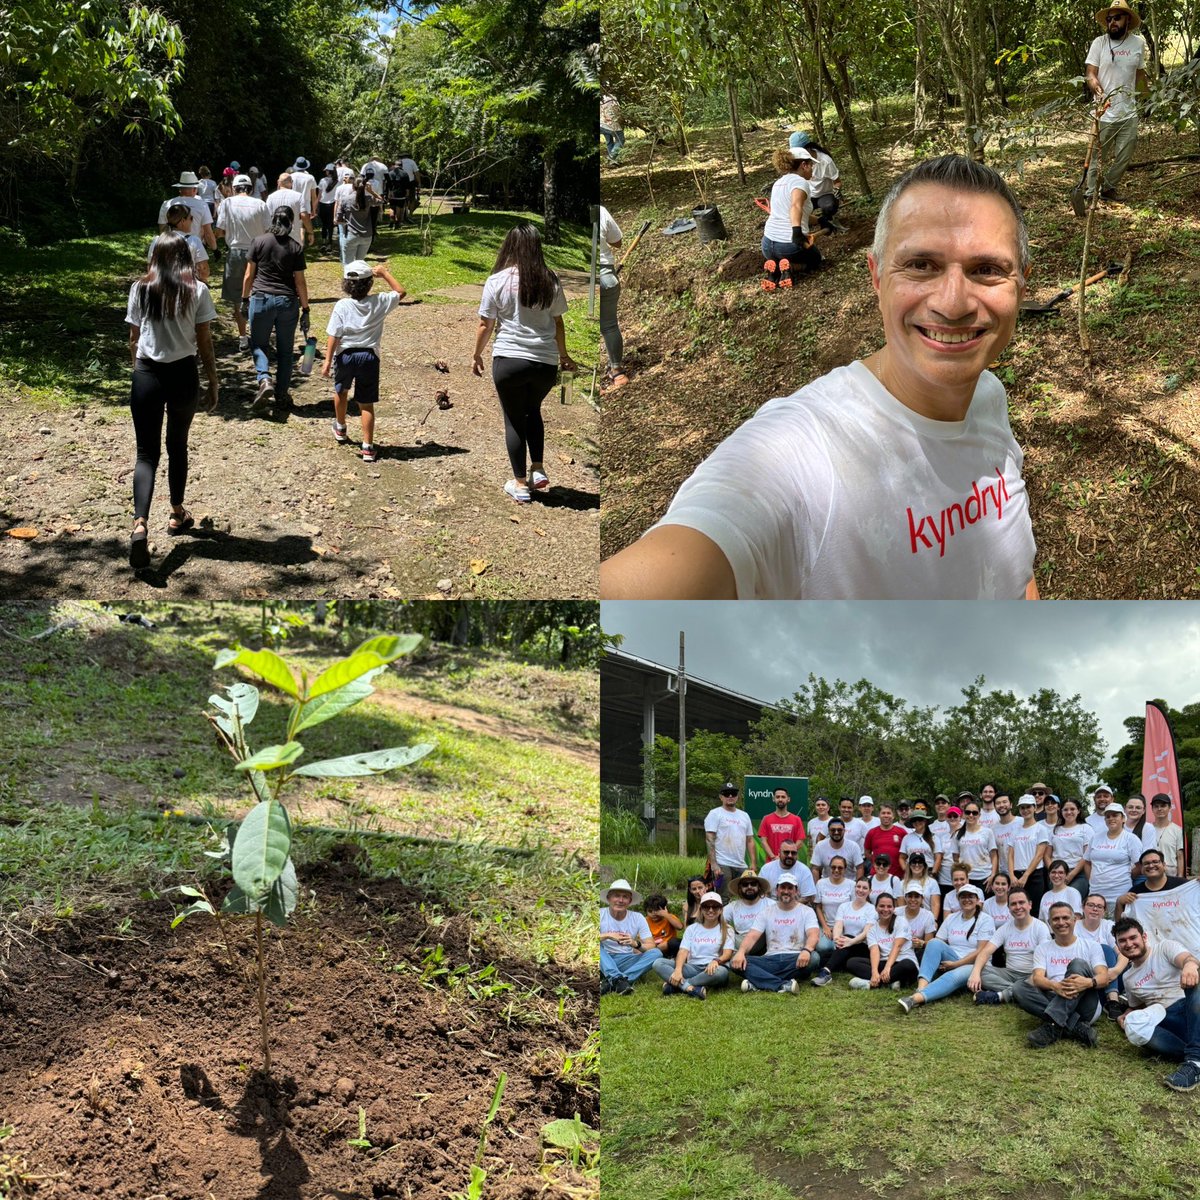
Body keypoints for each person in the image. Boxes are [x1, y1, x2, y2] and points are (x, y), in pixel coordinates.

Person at [600, 154, 1038, 601]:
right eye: (921, 265)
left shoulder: (987, 396)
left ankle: (778, 278)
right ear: (876, 277)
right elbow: (676, 563)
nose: (953, 302)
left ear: (1021, 285)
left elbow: (1014, 573)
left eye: (986, 269)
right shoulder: (802, 453)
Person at [124, 234, 219, 570]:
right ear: (185, 257)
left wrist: (138, 370)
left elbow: (134, 339)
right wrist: (213, 380)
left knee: (145, 453)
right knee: (177, 445)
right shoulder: (198, 290)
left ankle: (140, 523)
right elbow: (204, 341)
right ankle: (177, 513)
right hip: (182, 374)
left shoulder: (140, 288)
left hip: (146, 374)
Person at [473, 223, 576, 503]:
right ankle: (538, 469)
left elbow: (485, 323)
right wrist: (564, 356)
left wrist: (477, 354)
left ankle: (519, 484)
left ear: (510, 246)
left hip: (509, 360)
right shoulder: (550, 279)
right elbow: (558, 322)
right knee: (533, 410)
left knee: (514, 419)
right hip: (544, 363)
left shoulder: (497, 281)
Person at [322, 259, 408, 464]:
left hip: (345, 355)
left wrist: (327, 361)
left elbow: (334, 335)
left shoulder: (342, 305)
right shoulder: (379, 302)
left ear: (345, 284)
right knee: (366, 402)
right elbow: (401, 292)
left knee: (341, 391)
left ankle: (340, 427)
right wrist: (385, 273)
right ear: (369, 283)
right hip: (369, 356)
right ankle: (368, 447)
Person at [1111, 917, 1200, 1090]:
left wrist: (1190, 965)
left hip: (1191, 1007)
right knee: (1133, 1025)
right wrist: (1125, 1017)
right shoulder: (1128, 978)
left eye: (1132, 938)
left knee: (1196, 980)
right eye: (1122, 941)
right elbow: (1135, 1008)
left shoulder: (1164, 948)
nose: (1128, 944)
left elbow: (1187, 959)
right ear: (1118, 946)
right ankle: (1192, 1052)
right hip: (1168, 1022)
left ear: (1144, 937)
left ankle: (1194, 1062)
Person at [1012, 901, 1111, 1047]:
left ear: (1074, 920)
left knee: (1078, 964)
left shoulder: (1091, 946)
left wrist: (1088, 982)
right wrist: (1055, 986)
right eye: (1056, 919)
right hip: (1055, 996)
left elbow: (1104, 977)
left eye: (1065, 918)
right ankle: (1074, 1027)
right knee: (1019, 987)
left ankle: (1052, 1025)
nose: (1061, 922)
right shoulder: (1043, 948)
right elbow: (1038, 978)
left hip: (1085, 1002)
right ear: (1049, 922)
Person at [242, 204, 310, 415]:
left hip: (261, 299)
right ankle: (281, 394)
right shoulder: (295, 247)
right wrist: (306, 309)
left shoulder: (259, 242)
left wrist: (245, 299)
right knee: (286, 352)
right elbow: (300, 282)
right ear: (290, 223)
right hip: (287, 303)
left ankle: (264, 379)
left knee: (259, 345)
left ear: (273, 221)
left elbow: (248, 275)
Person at [1083, 0, 1149, 204]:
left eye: (1117, 18)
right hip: (1104, 111)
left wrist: (1148, 99)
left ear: (1127, 19)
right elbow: (1090, 73)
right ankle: (1089, 193)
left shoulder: (1138, 43)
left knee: (1125, 155)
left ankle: (1108, 187)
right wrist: (1096, 87)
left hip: (1128, 112)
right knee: (1096, 157)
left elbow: (1140, 75)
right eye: (1109, 19)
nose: (1112, 22)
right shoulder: (1099, 43)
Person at [897, 883, 995, 1012]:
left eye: (971, 896)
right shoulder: (951, 918)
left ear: (977, 900)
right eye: (963, 897)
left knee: (954, 975)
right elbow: (938, 942)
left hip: (976, 964)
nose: (966, 899)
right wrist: (923, 943)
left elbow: (981, 951)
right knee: (933, 943)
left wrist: (955, 965)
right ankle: (921, 987)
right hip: (953, 958)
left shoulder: (986, 920)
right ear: (958, 900)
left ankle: (915, 999)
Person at [730, 874, 821, 993]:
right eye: (783, 887)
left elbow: (813, 934)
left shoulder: (806, 911)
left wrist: (807, 950)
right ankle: (782, 984)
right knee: (734, 961)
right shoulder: (766, 912)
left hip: (796, 958)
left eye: (790, 888)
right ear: (777, 890)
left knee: (814, 958)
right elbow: (752, 936)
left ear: (796, 891)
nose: (786, 891)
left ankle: (759, 981)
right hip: (770, 959)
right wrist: (741, 952)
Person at [214, 173, 269, 352]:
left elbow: (220, 231)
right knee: (259, 294)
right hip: (259, 252)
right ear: (250, 188)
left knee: (238, 298)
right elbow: (269, 231)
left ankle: (243, 337)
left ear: (234, 188)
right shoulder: (261, 204)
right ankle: (260, 335)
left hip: (236, 253)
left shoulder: (227, 203)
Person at [969, 885, 1050, 1005]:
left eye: (1021, 902)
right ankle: (1018, 992)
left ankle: (1001, 995)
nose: (1018, 907)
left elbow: (1046, 959)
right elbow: (985, 952)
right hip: (1009, 974)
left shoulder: (1040, 927)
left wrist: (1036, 978)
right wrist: (975, 973)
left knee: (1037, 980)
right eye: (1013, 904)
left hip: (1032, 974)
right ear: (1008, 908)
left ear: (1030, 904)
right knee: (982, 972)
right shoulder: (1005, 928)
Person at [651, 890, 733, 999]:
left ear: (721, 910)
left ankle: (678, 985)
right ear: (701, 909)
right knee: (658, 963)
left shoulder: (727, 929)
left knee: (721, 972)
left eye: (715, 907)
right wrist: (678, 970)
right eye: (706, 907)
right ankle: (690, 988)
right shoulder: (692, 929)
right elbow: (683, 951)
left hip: (713, 968)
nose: (710, 910)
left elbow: (728, 953)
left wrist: (716, 961)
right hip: (692, 967)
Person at [760, 144, 820, 290]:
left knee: (778, 254)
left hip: (767, 244)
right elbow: (796, 207)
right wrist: (797, 233)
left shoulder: (778, 183)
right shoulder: (800, 182)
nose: (812, 169)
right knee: (816, 259)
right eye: (811, 165)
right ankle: (790, 267)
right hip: (788, 245)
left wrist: (820, 220)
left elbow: (795, 212)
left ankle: (775, 267)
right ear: (804, 165)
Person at [599, 879, 662, 995]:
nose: (620, 900)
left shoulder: (637, 917)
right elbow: (585, 938)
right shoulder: (599, 914)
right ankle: (618, 980)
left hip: (626, 958)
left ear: (630, 901)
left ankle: (615, 980)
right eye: (616, 896)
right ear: (609, 898)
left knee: (656, 953)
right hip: (604, 960)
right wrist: (608, 935)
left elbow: (651, 945)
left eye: (625, 897)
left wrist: (635, 943)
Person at [811, 877, 876, 986]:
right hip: (844, 945)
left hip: (862, 946)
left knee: (847, 937)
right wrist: (836, 938)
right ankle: (838, 964)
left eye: (865, 888)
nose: (860, 890)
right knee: (823, 959)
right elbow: (838, 925)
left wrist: (850, 941)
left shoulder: (871, 909)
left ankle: (826, 972)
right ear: (855, 888)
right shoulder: (844, 906)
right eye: (858, 886)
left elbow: (866, 933)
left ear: (870, 891)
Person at [1084, 802, 1144, 916]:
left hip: (1120, 895)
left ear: (1123, 818)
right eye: (1108, 816)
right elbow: (1087, 862)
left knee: (1119, 929)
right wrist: (1091, 880)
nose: (1111, 818)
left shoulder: (1131, 839)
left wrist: (1127, 876)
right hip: (1096, 894)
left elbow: (1139, 866)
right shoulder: (1096, 837)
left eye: (1115, 815)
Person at [855, 892, 920, 990]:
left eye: (889, 906)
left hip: (901, 962)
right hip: (884, 962)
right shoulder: (872, 930)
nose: (885, 909)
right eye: (882, 906)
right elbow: (874, 951)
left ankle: (871, 984)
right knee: (853, 962)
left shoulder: (901, 921)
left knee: (908, 964)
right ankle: (891, 981)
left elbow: (897, 946)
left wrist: (887, 968)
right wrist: (874, 972)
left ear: (894, 908)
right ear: (876, 908)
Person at [701, 781, 755, 898]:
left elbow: (750, 840)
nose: (730, 796)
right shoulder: (715, 813)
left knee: (747, 896)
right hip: (722, 863)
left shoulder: (744, 815)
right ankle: (723, 916)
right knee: (723, 897)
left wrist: (753, 862)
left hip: (741, 864)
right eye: (726, 794)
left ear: (737, 796)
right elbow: (710, 839)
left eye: (733, 793)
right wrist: (714, 864)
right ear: (721, 797)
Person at [598, 205, 628, 391]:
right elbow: (617, 242)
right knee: (609, 325)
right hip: (607, 276)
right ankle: (617, 372)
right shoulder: (600, 210)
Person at [791, 131, 843, 233]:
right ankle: (805, 224)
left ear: (808, 148)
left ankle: (828, 221)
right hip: (808, 194)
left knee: (829, 206)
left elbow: (837, 182)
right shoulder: (797, 163)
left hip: (824, 194)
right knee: (798, 208)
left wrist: (837, 189)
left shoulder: (825, 161)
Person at [1009, 794, 1051, 916]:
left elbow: (1039, 855)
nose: (1025, 810)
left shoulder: (1040, 829)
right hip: (1016, 876)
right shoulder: (1015, 829)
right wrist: (1011, 875)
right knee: (1017, 909)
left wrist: (1026, 875)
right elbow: (1010, 854)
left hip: (1035, 875)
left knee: (1033, 909)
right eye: (1022, 807)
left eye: (1028, 807)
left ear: (1034, 808)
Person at [1115, 848, 1185, 918]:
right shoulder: (1135, 893)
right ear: (1141, 869)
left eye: (1155, 862)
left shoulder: (1182, 885)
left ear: (1164, 865)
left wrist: (1196, 883)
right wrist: (1119, 903)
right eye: (1146, 863)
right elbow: (1120, 924)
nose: (1151, 866)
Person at [157, 170, 216, 252]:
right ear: (195, 189)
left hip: (172, 246)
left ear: (180, 189)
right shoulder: (202, 205)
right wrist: (215, 249)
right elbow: (208, 232)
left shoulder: (166, 204)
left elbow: (162, 230)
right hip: (194, 248)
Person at [153, 202, 209, 284]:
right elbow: (203, 269)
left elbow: (151, 267)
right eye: (191, 218)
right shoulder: (194, 241)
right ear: (183, 221)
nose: (192, 221)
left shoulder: (157, 240)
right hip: (187, 286)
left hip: (162, 285)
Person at [1052, 798, 1094, 902]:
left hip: (1078, 872)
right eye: (1065, 809)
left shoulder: (1086, 828)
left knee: (1072, 901)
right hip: (1057, 874)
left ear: (1078, 811)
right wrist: (1053, 870)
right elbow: (1047, 854)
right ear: (1061, 811)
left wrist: (1072, 874)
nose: (1069, 812)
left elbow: (1087, 855)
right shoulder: (1055, 829)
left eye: (1072, 809)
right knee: (1057, 903)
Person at [953, 799, 998, 895]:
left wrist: (993, 875)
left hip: (985, 877)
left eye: (974, 813)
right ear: (963, 814)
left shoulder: (987, 832)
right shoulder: (957, 834)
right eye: (968, 812)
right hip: (966, 879)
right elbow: (955, 858)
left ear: (979, 815)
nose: (971, 815)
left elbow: (994, 855)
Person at [722, 869, 773, 954]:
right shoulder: (733, 906)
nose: (749, 887)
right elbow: (718, 921)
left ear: (759, 886)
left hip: (762, 940)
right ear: (740, 888)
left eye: (753, 884)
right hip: (740, 940)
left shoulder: (770, 904)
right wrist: (728, 928)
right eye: (745, 885)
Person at [813, 858, 856, 953]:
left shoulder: (852, 885)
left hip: (845, 926)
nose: (836, 870)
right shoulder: (821, 883)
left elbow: (854, 909)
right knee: (823, 947)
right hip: (826, 925)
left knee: (841, 945)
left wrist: (840, 928)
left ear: (845, 869)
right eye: (833, 867)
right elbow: (818, 907)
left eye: (840, 868)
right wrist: (825, 927)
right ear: (829, 868)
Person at [759, 786, 807, 861]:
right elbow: (763, 841)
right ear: (773, 799)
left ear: (788, 799)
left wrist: (786, 855)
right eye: (777, 797)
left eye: (783, 797)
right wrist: (773, 857)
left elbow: (800, 842)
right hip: (771, 862)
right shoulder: (766, 819)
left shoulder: (797, 819)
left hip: (789, 861)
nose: (780, 799)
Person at [266, 173, 311, 251]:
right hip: (294, 236)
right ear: (291, 182)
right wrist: (310, 231)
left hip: (276, 235)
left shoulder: (271, 197)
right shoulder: (298, 196)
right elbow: (304, 215)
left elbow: (267, 216)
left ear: (278, 182)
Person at [864, 803, 906, 877]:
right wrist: (876, 861)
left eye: (889, 813)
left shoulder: (901, 832)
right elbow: (867, 853)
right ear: (879, 816)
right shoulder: (872, 832)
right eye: (883, 813)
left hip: (897, 875)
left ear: (893, 816)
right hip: (877, 875)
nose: (886, 815)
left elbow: (907, 852)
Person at [1149, 793, 1186, 877]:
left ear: (1169, 808)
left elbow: (1180, 856)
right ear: (1152, 809)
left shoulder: (1177, 830)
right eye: (1156, 806)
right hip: (1151, 871)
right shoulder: (1147, 829)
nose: (1159, 809)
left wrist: (1180, 877)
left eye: (1163, 806)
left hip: (1171, 872)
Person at [899, 882, 939, 955]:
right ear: (905, 898)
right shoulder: (896, 912)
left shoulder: (928, 915)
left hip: (916, 951)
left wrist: (921, 943)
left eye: (916, 896)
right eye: (910, 896)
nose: (913, 899)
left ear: (922, 898)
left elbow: (928, 943)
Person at [901, 852, 941, 920]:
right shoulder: (902, 883)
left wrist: (934, 920)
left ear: (924, 866)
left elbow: (935, 904)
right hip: (908, 920)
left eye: (920, 862)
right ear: (909, 865)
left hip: (926, 920)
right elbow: (901, 906)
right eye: (914, 862)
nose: (917, 865)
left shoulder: (932, 882)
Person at [600, 93, 624, 162]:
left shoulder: (600, 98)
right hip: (611, 124)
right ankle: (611, 158)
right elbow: (617, 110)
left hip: (601, 124)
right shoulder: (612, 97)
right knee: (620, 139)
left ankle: (613, 161)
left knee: (609, 141)